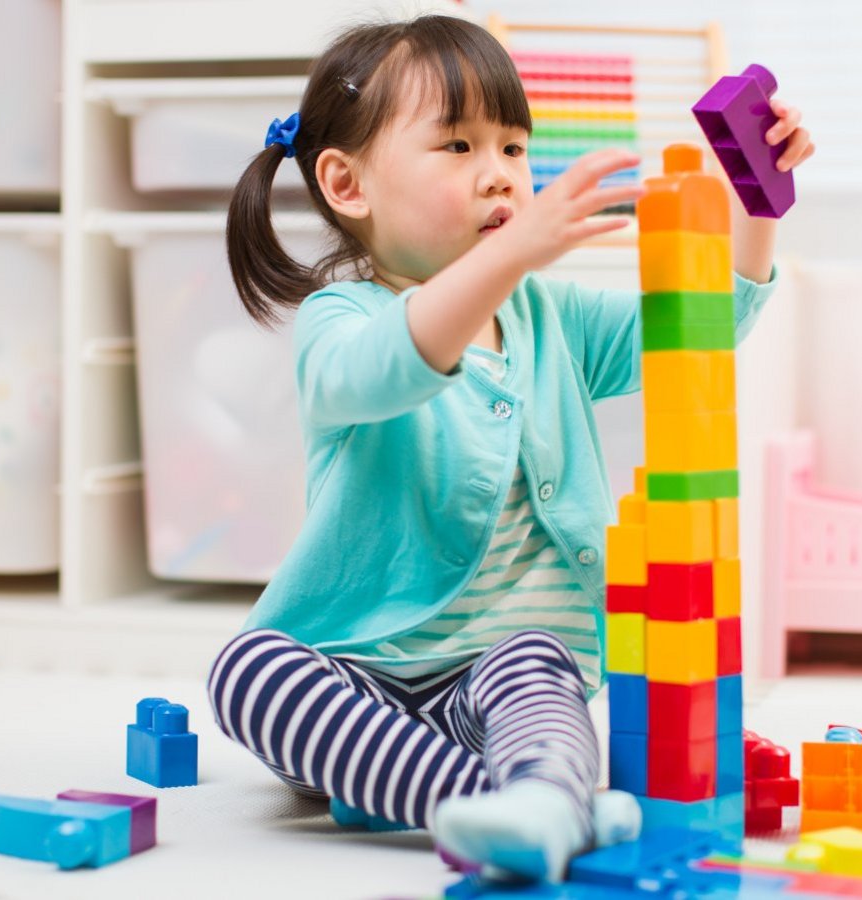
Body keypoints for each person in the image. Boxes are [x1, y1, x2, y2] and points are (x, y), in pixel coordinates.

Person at [208, 14, 814, 882]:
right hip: (356, 683)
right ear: (347, 184)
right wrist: (509, 257)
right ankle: (516, 801)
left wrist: (758, 201)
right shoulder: (339, 321)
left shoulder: (549, 318)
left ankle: (527, 801)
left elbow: (705, 323)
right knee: (247, 668)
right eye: (458, 146)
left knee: (539, 661)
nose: (499, 173)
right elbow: (392, 364)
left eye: (514, 148)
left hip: (495, 683)